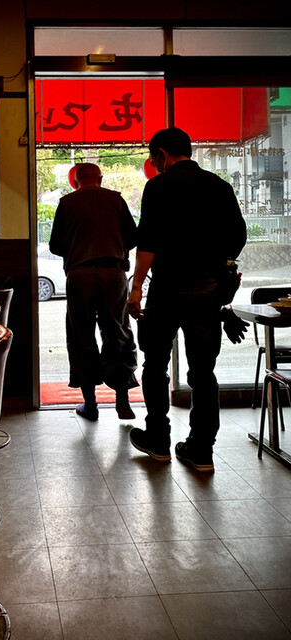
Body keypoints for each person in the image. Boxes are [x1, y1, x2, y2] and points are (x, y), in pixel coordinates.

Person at [127, 128, 247, 472]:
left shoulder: (158, 187)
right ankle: (201, 449)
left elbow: (148, 242)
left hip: (166, 290)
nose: (154, 165)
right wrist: (221, 265)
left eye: (154, 159)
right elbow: (238, 236)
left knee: (155, 365)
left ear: (162, 154)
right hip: (207, 291)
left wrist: (137, 286)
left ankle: (158, 440)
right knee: (203, 372)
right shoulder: (219, 186)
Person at [49, 162, 139, 421]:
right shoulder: (116, 199)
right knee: (117, 332)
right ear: (101, 178)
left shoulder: (66, 203)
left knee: (81, 335)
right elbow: (133, 238)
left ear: (75, 182)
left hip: (80, 275)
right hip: (114, 274)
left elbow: (55, 246)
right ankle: (123, 401)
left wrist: (78, 247)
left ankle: (90, 404)